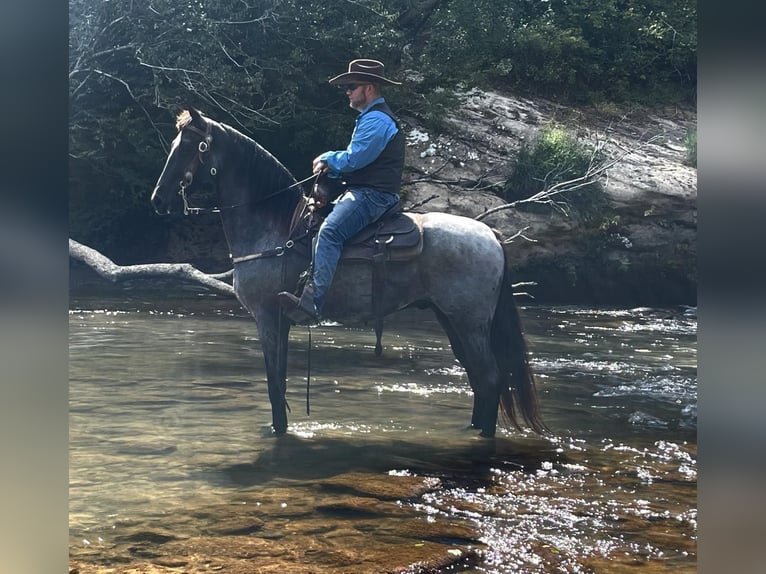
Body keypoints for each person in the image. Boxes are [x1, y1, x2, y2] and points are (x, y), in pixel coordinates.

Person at [278, 59, 405, 324]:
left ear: (368, 88)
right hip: (368, 191)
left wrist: (327, 159)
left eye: (351, 86)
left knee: (330, 232)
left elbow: (355, 159)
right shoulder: (372, 118)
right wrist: (333, 168)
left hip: (373, 195)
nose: (347, 91)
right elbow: (358, 163)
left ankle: (312, 302)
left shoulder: (377, 121)